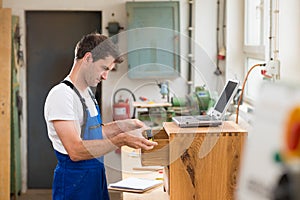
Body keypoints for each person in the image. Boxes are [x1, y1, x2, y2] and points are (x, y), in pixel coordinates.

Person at [44, 32, 157, 200]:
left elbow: (94, 133)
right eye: (104, 68)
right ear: (88, 58)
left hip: (95, 180)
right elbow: (75, 150)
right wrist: (121, 140)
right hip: (74, 185)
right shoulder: (62, 95)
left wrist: (127, 125)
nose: (105, 76)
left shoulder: (86, 93)